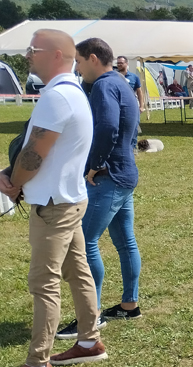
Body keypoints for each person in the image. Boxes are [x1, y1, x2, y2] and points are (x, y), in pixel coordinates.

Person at [0, 29, 108, 367]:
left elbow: (35, 153)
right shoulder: (71, 92)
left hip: (54, 206)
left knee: (43, 283)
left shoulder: (57, 97)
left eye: (33, 49)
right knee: (77, 272)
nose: (27, 55)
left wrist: (12, 181)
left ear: (57, 55)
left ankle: (38, 365)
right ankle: (89, 341)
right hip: (68, 199)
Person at [53, 36, 143, 341]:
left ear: (93, 58)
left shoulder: (104, 85)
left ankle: (91, 316)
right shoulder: (122, 83)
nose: (77, 69)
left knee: (84, 243)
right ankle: (129, 305)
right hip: (125, 173)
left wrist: (94, 164)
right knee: (125, 242)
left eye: (78, 62)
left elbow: (107, 127)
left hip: (109, 176)